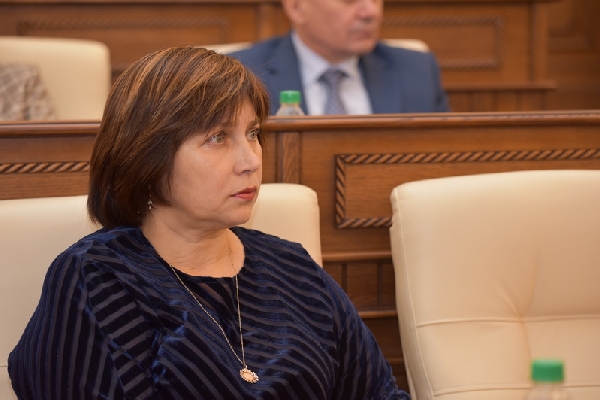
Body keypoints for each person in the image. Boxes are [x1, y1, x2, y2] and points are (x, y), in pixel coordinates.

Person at [8, 46, 410, 399]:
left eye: (252, 133)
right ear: (146, 156)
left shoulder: (293, 267)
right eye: (218, 138)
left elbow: (378, 393)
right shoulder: (98, 277)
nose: (250, 161)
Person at [230, 0, 449, 115]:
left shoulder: (417, 71)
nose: (371, 13)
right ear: (296, 7)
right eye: (349, 0)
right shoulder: (241, 74)